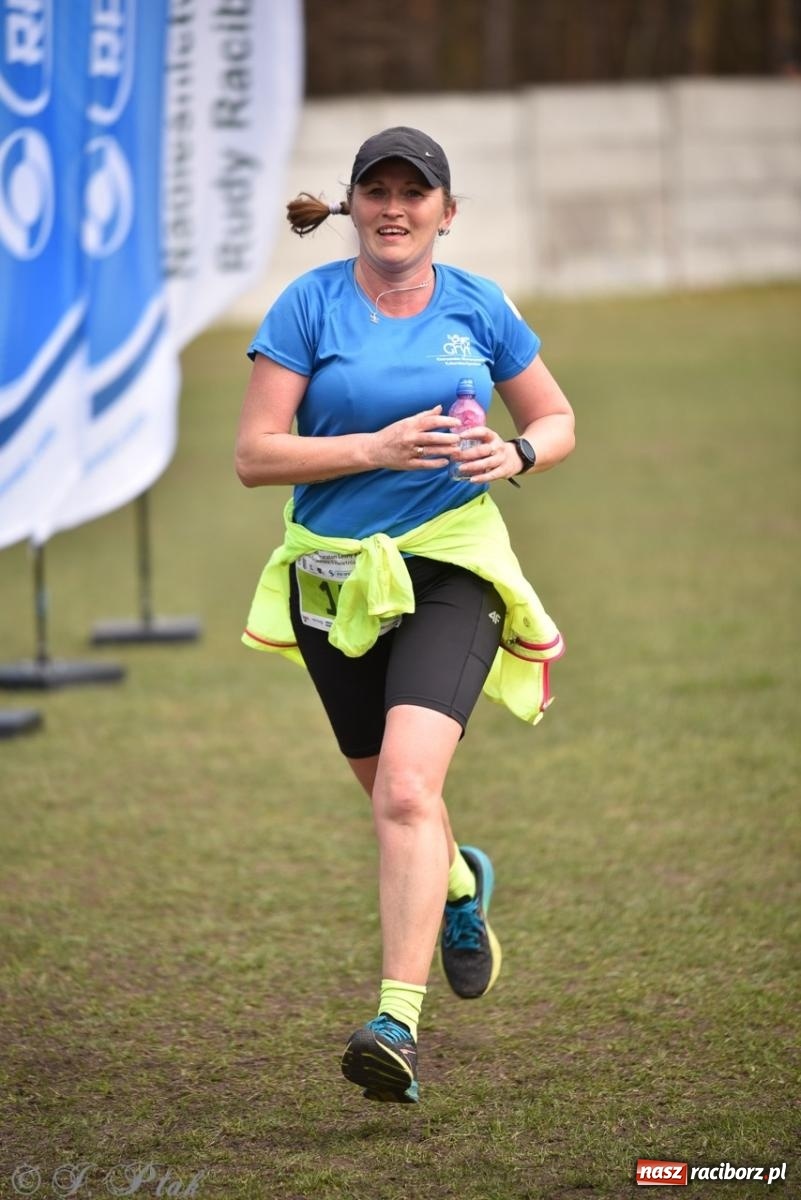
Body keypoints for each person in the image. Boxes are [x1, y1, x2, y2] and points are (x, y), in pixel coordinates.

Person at [235, 126, 575, 1105]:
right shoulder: (307, 306)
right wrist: (372, 450)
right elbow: (255, 455)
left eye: (413, 193)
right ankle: (459, 882)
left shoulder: (480, 305)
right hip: (333, 578)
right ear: (353, 206)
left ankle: (396, 1025)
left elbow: (555, 418)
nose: (395, 209)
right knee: (388, 790)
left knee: (407, 791)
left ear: (445, 212)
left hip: (451, 566)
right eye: (376, 191)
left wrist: (518, 453)